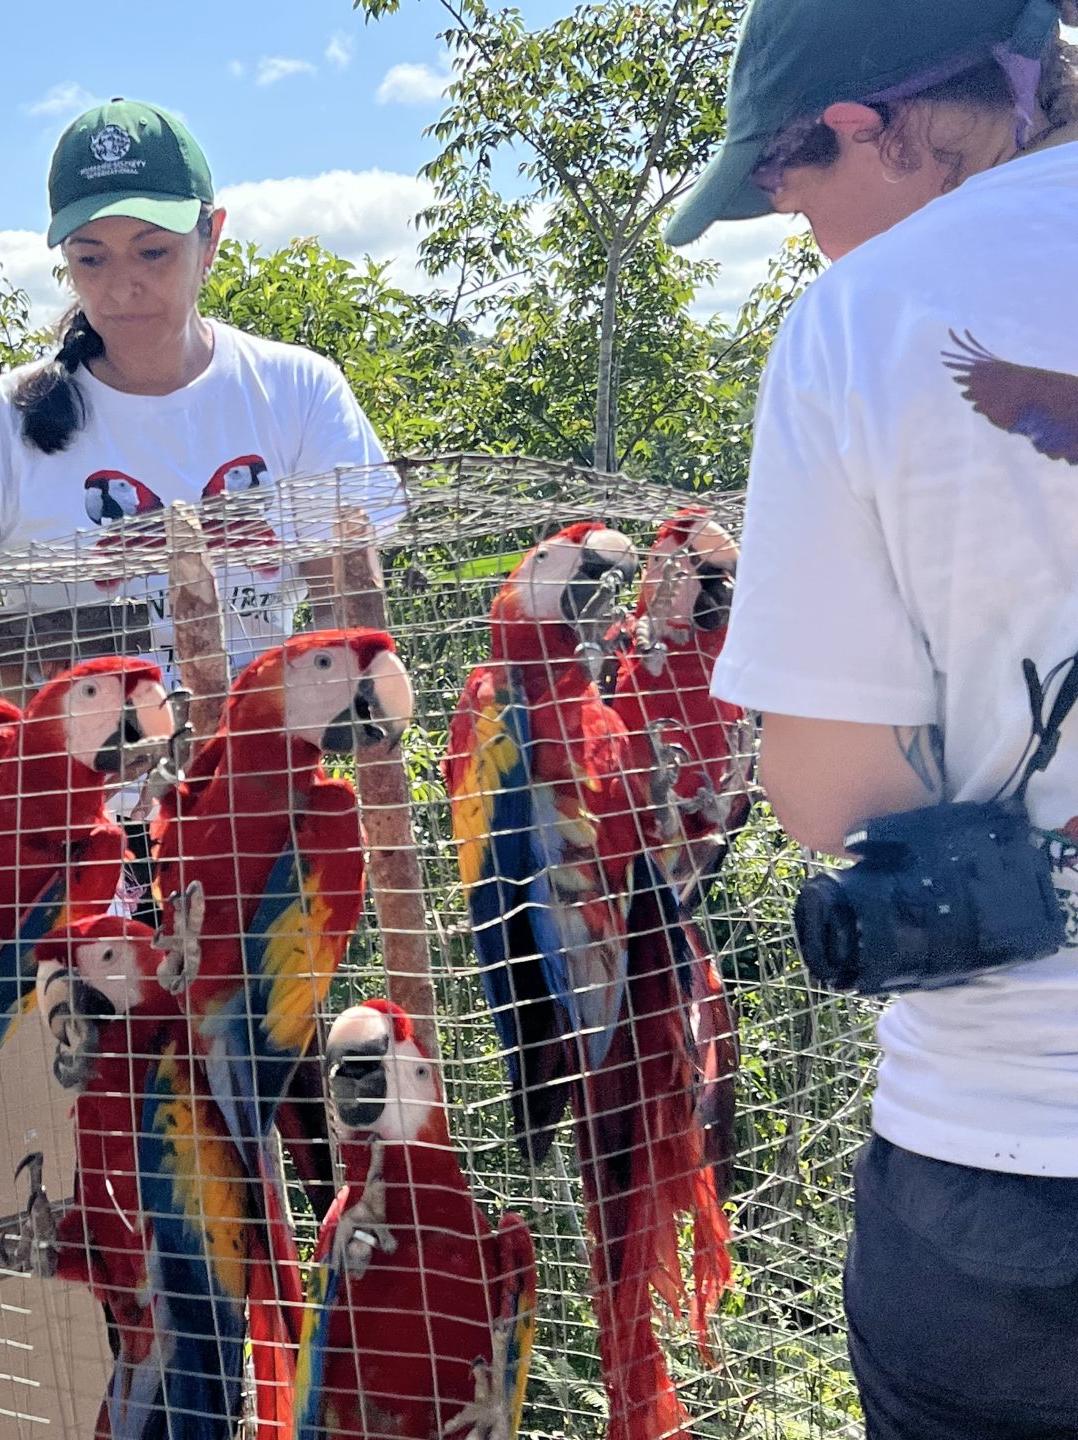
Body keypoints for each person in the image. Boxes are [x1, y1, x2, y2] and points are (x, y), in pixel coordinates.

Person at [668, 1, 1078, 1435]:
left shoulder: (867, 317)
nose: (798, 227)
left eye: (788, 184)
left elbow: (833, 791)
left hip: (1019, 1155)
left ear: (873, 130)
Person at [0, 97, 393, 667]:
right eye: (92, 259)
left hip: (255, 748)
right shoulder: (3, 420)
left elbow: (346, 599)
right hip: (76, 750)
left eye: (153, 252)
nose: (123, 287)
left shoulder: (297, 392)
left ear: (213, 239)